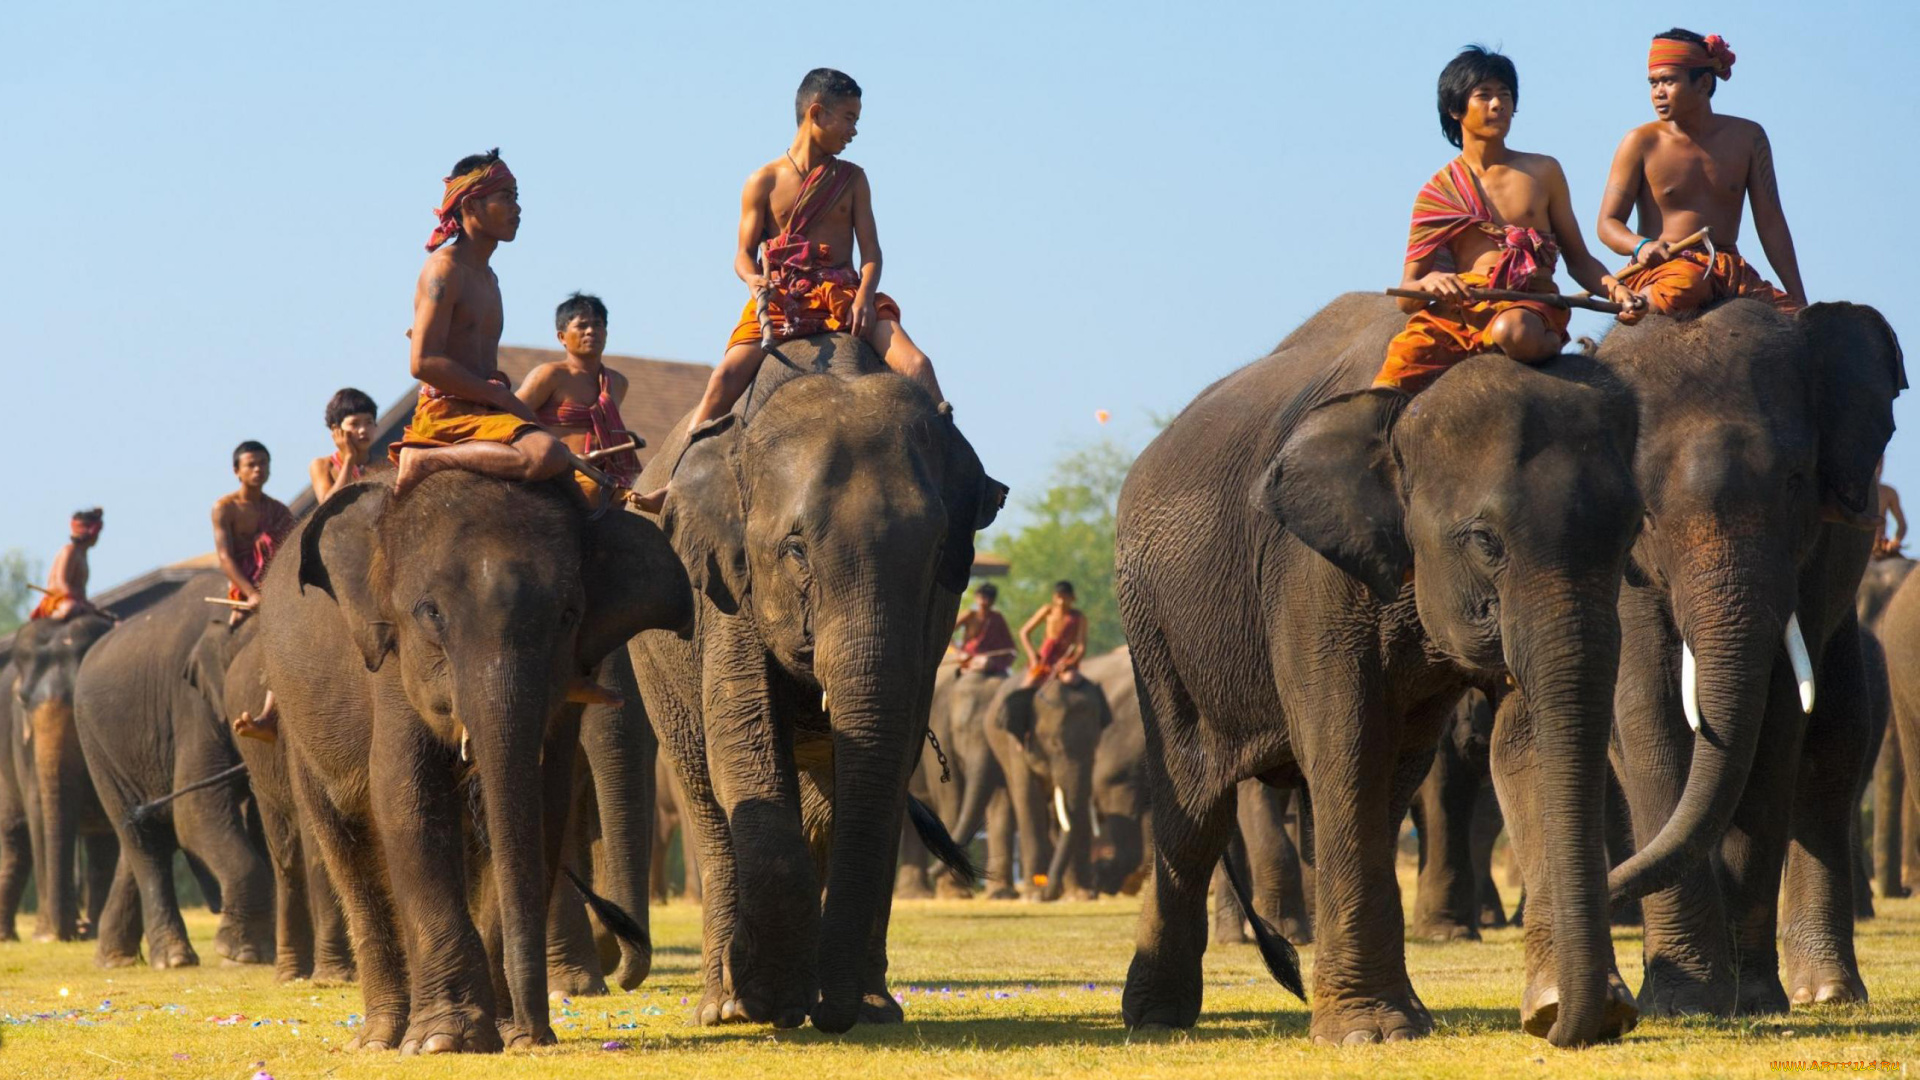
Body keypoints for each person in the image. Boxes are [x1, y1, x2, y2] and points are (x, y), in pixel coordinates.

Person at [688, 68, 944, 432]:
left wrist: (864, 299)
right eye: (849, 118)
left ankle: (967, 477)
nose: (854, 131)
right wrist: (752, 280)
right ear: (817, 113)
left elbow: (871, 253)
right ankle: (671, 482)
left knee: (918, 365)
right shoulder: (762, 181)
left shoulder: (853, 179)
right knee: (722, 380)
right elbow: (742, 254)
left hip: (844, 295)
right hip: (782, 298)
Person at [1375, 47, 1639, 395]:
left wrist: (1618, 290)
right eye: (1483, 96)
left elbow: (1578, 259)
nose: (1498, 105)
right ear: (1455, 109)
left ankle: (1552, 342)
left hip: (1529, 305)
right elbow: (1406, 296)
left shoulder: (1544, 171)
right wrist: (1433, 282)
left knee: (1511, 332)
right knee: (1395, 372)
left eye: (1505, 95)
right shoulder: (1436, 192)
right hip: (1462, 314)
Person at [388, 149, 574, 499]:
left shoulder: (489, 278)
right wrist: (497, 394)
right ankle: (424, 461)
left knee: (576, 476)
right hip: (447, 413)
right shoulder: (444, 270)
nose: (517, 208)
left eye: (517, 198)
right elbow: (422, 362)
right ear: (470, 205)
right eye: (506, 197)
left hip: (484, 411)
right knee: (545, 454)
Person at [1598, 30, 1805, 316]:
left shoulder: (1749, 138)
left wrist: (1799, 298)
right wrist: (1641, 245)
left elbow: (1771, 223)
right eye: (1653, 83)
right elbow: (1607, 224)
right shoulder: (1639, 142)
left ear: (1704, 83)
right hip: (1667, 270)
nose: (1658, 92)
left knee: (1793, 325)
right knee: (1690, 283)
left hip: (1729, 271)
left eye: (1669, 81)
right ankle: (1642, 303)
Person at [516, 292, 650, 509]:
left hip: (609, 474)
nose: (591, 331)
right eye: (582, 325)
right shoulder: (549, 375)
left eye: (598, 324)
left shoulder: (617, 382)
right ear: (561, 337)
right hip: (559, 475)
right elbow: (511, 417)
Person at [213, 441, 295, 625]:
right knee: (239, 624)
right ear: (237, 471)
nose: (258, 469)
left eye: (263, 463)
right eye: (251, 465)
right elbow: (225, 557)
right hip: (242, 585)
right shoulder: (225, 508)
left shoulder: (279, 511)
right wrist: (251, 594)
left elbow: (289, 553)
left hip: (276, 582)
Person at [28, 509, 103, 621]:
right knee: (71, 608)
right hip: (58, 601)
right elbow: (61, 582)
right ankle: (49, 621)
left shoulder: (83, 555)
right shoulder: (69, 550)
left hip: (77, 601)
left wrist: (86, 603)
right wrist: (75, 599)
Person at [308, 387, 380, 503]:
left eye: (369, 422)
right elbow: (328, 506)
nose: (363, 430)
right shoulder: (322, 465)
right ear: (336, 430)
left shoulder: (384, 464)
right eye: (354, 424)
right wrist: (349, 459)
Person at [1020, 581, 1088, 688]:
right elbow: (1024, 632)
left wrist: (1070, 662)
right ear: (1054, 597)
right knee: (1029, 684)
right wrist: (1033, 657)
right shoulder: (1048, 610)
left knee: (1071, 679)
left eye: (1065, 595)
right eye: (1059, 595)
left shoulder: (1079, 617)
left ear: (1072, 597)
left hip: (1064, 659)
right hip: (1044, 658)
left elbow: (1081, 647)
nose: (1062, 599)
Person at [953, 582, 1017, 676]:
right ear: (976, 597)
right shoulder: (969, 615)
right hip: (966, 655)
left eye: (988, 598)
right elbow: (946, 634)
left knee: (985, 662)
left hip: (986, 657)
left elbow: (1009, 645)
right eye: (982, 597)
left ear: (993, 600)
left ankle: (969, 670)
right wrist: (958, 651)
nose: (985, 601)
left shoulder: (997, 618)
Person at [1878, 480, 1907, 560]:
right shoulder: (1854, 490)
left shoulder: (1888, 492)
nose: (1878, 469)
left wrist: (1895, 541)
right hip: (1860, 547)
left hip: (1881, 548)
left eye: (1880, 466)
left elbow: (1902, 524)